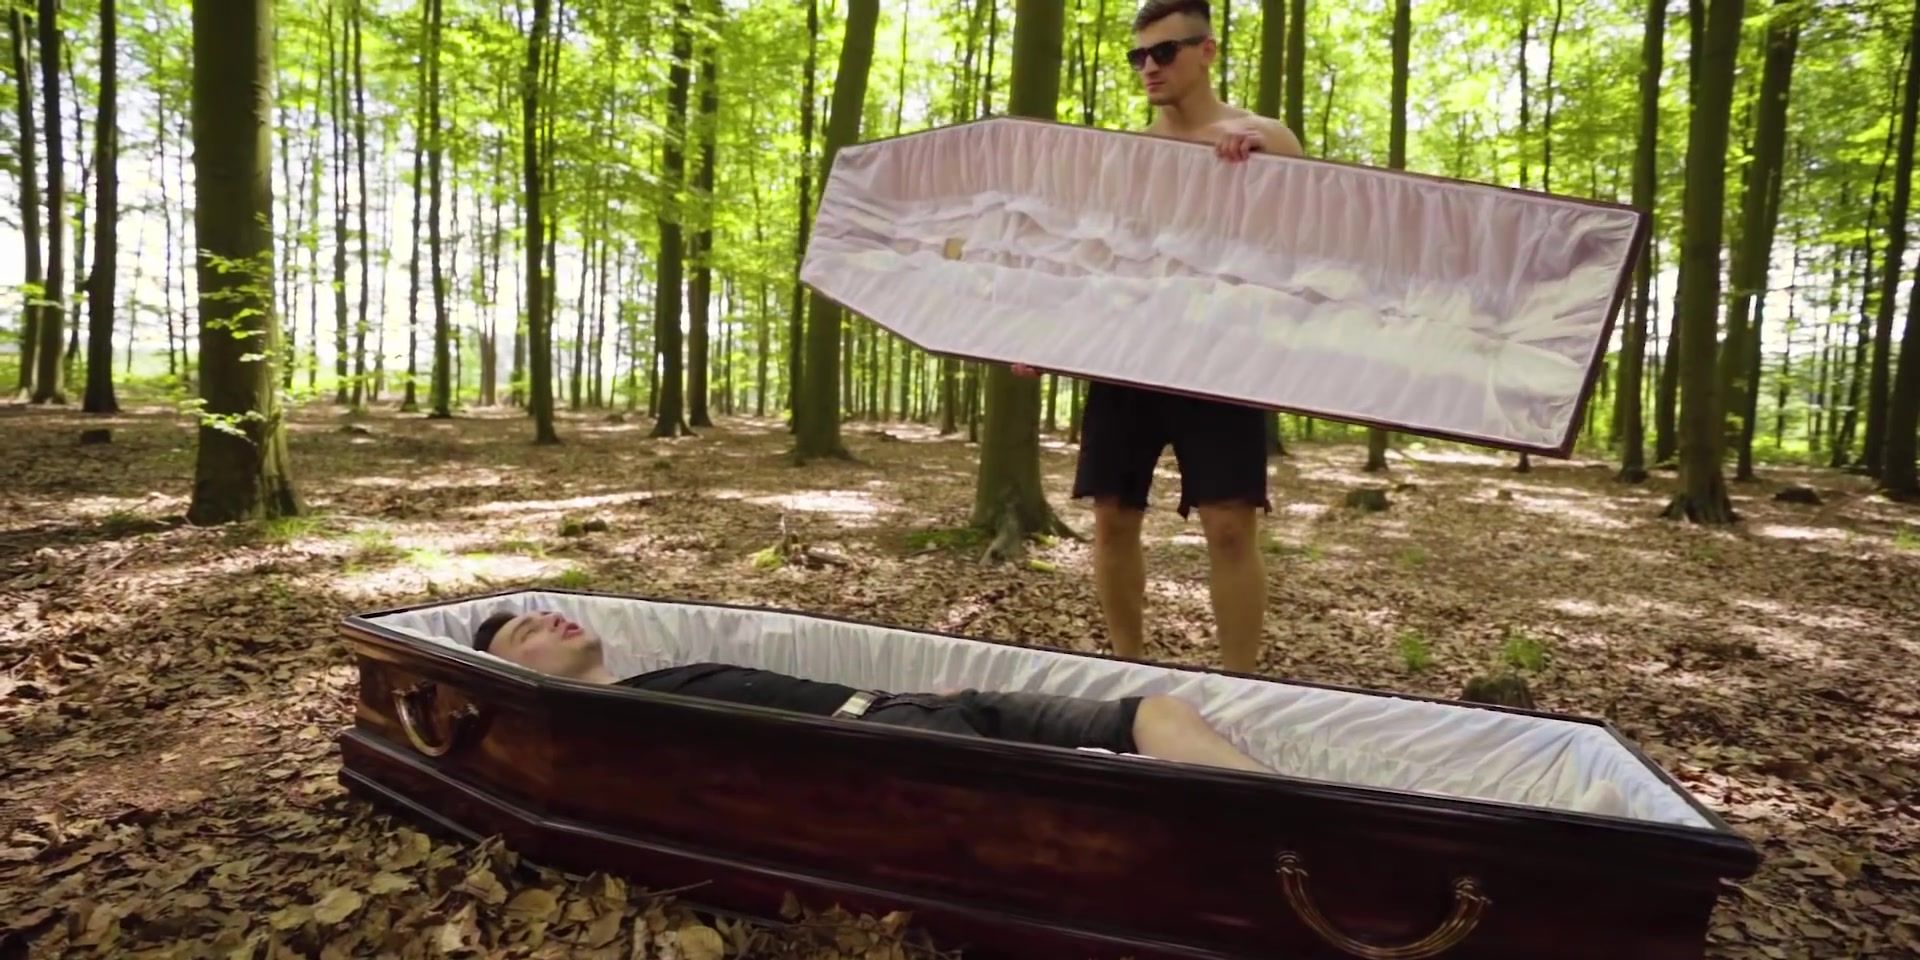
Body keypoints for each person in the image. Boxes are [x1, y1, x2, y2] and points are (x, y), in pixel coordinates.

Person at [1012, 0, 1305, 675]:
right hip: (1126, 353)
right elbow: (1094, 259)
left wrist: (1267, 161)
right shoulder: (1128, 157)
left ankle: (1240, 688)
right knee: (1113, 518)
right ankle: (1130, 674)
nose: (1149, 67)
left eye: (1164, 52)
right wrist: (1041, 335)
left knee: (1229, 527)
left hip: (1221, 358)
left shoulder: (1266, 138)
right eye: (1138, 56)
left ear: (1207, 51)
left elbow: (1308, 231)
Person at [471, 608, 1273, 774]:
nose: (552, 618)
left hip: (914, 711)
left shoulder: (655, 679)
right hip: (895, 749)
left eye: (547, 611)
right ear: (518, 676)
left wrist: (903, 696)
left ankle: (1294, 814)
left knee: (1156, 712)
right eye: (527, 632)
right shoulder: (615, 726)